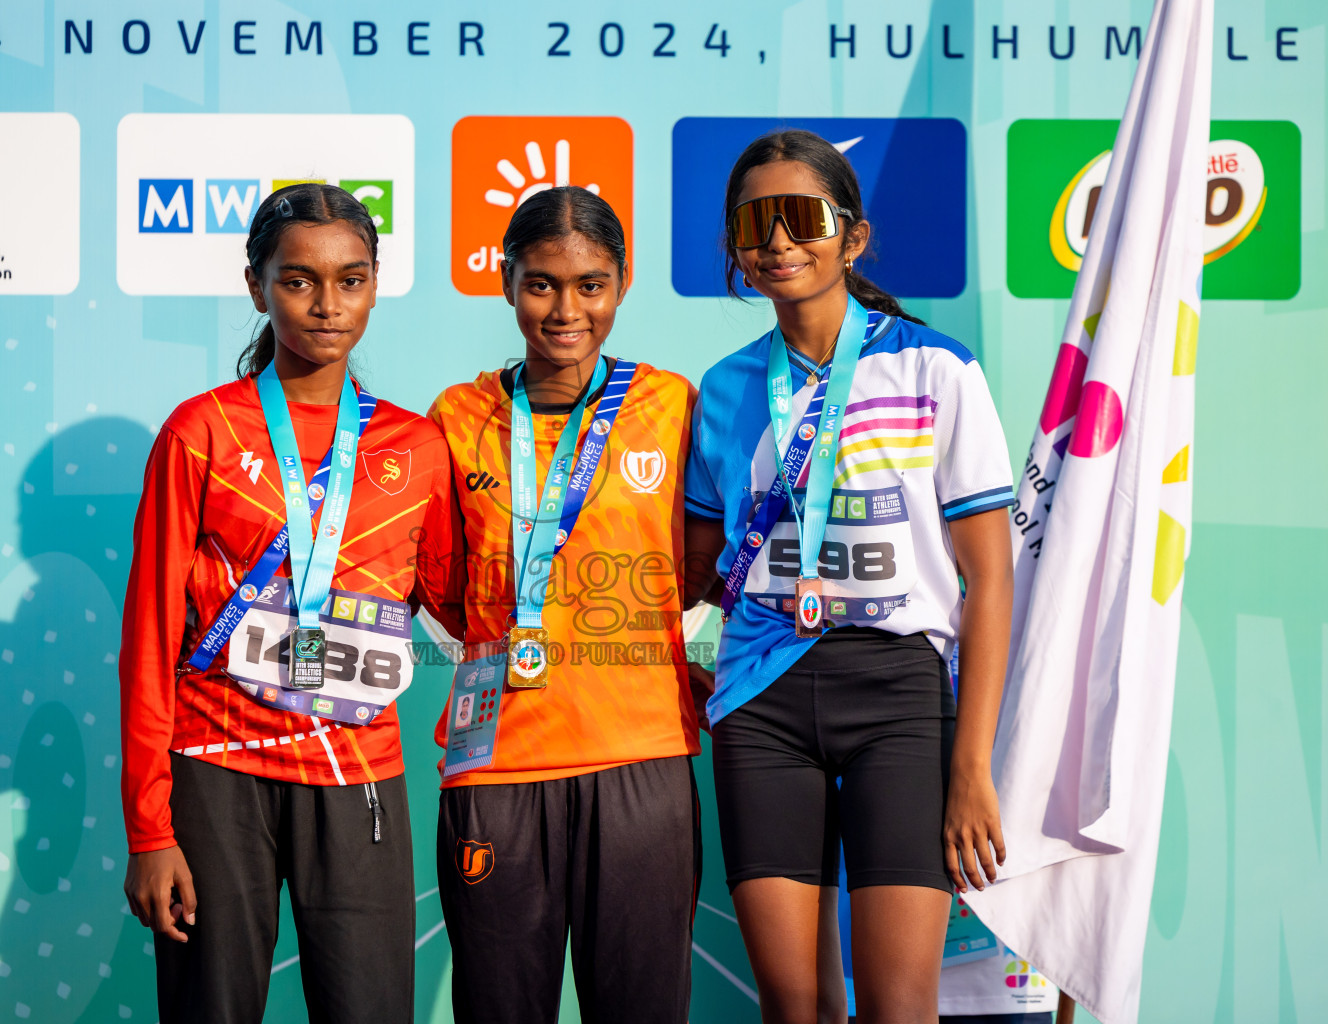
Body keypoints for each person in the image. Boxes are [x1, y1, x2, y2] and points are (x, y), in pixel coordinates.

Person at [683, 129, 1016, 1024]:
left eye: (803, 218)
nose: (780, 241)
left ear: (852, 238)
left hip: (901, 700)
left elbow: (989, 580)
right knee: (794, 1009)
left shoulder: (934, 369)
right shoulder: (721, 389)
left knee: (900, 1009)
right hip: (763, 701)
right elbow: (694, 573)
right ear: (735, 249)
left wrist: (974, 767)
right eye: (757, 223)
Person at [118, 183, 461, 1024]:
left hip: (356, 775)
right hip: (216, 773)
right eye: (299, 279)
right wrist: (149, 831)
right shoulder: (201, 432)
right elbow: (149, 637)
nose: (327, 304)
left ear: (376, 283)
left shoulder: (415, 448)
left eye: (351, 279)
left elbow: (465, 612)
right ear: (256, 285)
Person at [427, 185, 702, 1024]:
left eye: (590, 284)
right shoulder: (458, 415)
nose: (565, 309)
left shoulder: (670, 407)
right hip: (498, 769)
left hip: (642, 761)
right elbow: (439, 580)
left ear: (620, 285)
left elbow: (701, 563)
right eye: (541, 283)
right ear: (506, 282)